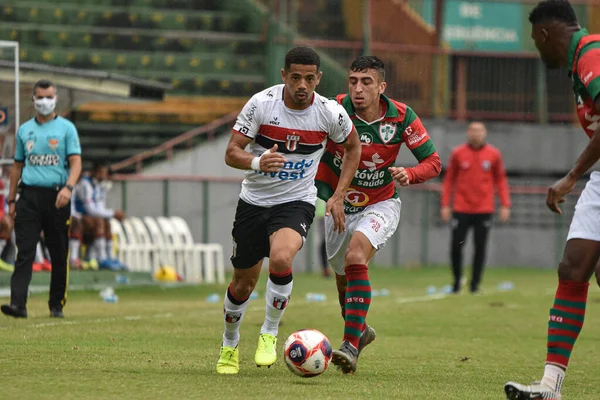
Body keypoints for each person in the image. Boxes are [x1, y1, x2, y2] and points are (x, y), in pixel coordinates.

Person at [216, 46, 361, 374]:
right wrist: (257, 161)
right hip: (254, 203)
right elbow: (231, 152)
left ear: (318, 79)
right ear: (283, 76)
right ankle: (229, 343)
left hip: (296, 202)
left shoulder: (330, 112)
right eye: (295, 77)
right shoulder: (261, 104)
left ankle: (269, 332)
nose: (302, 85)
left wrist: (339, 194)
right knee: (242, 284)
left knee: (282, 257)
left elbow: (353, 147)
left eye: (310, 78)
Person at [315, 55, 442, 374]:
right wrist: (330, 196)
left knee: (357, 256)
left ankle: (349, 346)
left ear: (381, 87)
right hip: (340, 204)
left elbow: (434, 162)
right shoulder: (335, 110)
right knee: (343, 283)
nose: (358, 89)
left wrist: (410, 174)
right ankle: (361, 331)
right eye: (353, 81)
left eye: (366, 82)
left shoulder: (401, 116)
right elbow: (315, 152)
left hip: (381, 202)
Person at [505, 2, 600, 399]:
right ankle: (549, 387)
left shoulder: (592, 53)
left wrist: (570, 177)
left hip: (592, 174)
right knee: (573, 268)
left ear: (544, 35)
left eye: (534, 42)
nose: (536, 50)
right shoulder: (580, 60)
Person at [1, 79, 82, 319]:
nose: (44, 101)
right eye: (40, 97)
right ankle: (18, 304)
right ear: (33, 99)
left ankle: (56, 304)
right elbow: (17, 167)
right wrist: (12, 200)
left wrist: (68, 188)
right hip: (29, 196)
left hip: (57, 195)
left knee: (58, 251)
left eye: (49, 97)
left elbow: (76, 162)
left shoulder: (67, 129)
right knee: (24, 249)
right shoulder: (25, 130)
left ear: (55, 99)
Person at [440, 121, 511, 294]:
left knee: (480, 247)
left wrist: (505, 204)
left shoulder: (493, 154)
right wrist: (445, 205)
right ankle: (457, 282)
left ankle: (474, 285)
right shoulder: (458, 153)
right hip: (461, 207)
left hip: (484, 209)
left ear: (485, 133)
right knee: (456, 246)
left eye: (479, 131)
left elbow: (500, 180)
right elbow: (449, 180)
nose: (476, 134)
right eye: (473, 130)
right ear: (468, 133)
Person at [73, 162, 126, 271]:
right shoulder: (85, 184)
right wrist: (113, 214)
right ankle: (101, 258)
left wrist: (111, 214)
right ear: (94, 172)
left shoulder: (99, 185)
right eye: (100, 173)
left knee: (106, 222)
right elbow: (89, 209)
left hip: (88, 217)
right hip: (79, 216)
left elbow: (100, 208)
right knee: (100, 221)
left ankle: (109, 257)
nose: (102, 176)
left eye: (104, 174)